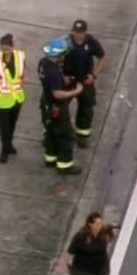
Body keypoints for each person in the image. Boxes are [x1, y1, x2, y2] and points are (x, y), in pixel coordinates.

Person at [37, 37, 84, 175]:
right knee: (65, 135)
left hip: (46, 103)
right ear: (58, 54)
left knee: (51, 132)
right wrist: (75, 91)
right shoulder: (53, 72)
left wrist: (63, 79)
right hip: (56, 106)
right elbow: (57, 94)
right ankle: (65, 165)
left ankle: (50, 158)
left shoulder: (43, 63)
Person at [63, 19, 106, 148]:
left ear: (85, 32)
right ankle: (53, 134)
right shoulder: (65, 42)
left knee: (86, 109)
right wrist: (62, 75)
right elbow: (55, 58)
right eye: (76, 32)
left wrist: (94, 75)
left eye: (81, 32)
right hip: (68, 81)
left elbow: (102, 57)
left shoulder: (91, 42)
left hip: (85, 81)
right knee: (59, 108)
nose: (78, 34)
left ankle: (82, 135)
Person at [0, 33, 26, 164]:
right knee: (4, 126)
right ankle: (5, 149)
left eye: (8, 49)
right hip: (2, 99)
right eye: (3, 49)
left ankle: (9, 145)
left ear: (13, 47)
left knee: (12, 124)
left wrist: (22, 83)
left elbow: (22, 72)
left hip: (17, 98)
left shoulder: (20, 56)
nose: (6, 52)